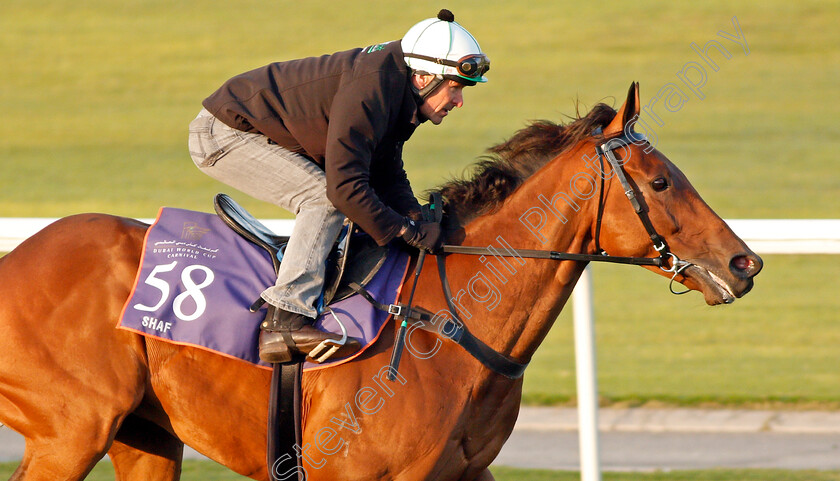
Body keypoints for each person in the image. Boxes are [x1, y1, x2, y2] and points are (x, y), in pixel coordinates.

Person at [188, 9, 490, 364]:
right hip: (224, 134)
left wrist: (415, 217)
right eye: (455, 87)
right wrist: (405, 231)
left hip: (262, 131)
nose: (459, 101)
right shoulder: (372, 90)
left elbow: (386, 170)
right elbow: (344, 188)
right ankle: (284, 318)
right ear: (424, 77)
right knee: (323, 198)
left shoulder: (397, 90)